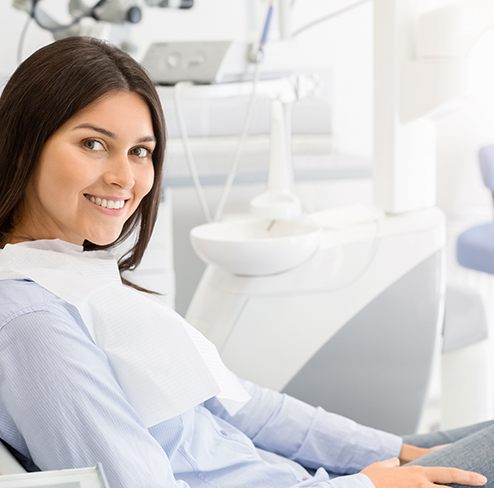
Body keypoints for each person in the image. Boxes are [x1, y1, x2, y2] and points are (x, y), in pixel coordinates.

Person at [0, 36, 491, 488]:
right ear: (24, 142)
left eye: (140, 151)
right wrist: (363, 485)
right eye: (93, 144)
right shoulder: (33, 320)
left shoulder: (70, 277)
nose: (124, 177)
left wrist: (394, 452)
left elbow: (241, 406)